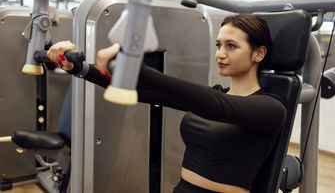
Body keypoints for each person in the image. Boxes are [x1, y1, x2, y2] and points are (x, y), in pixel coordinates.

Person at [47, 14, 286, 193]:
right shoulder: (214, 94)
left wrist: (137, 68)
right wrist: (81, 68)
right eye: (218, 45)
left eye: (231, 46)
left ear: (259, 53)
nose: (220, 54)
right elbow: (145, 93)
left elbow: (219, 107)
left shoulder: (271, 108)